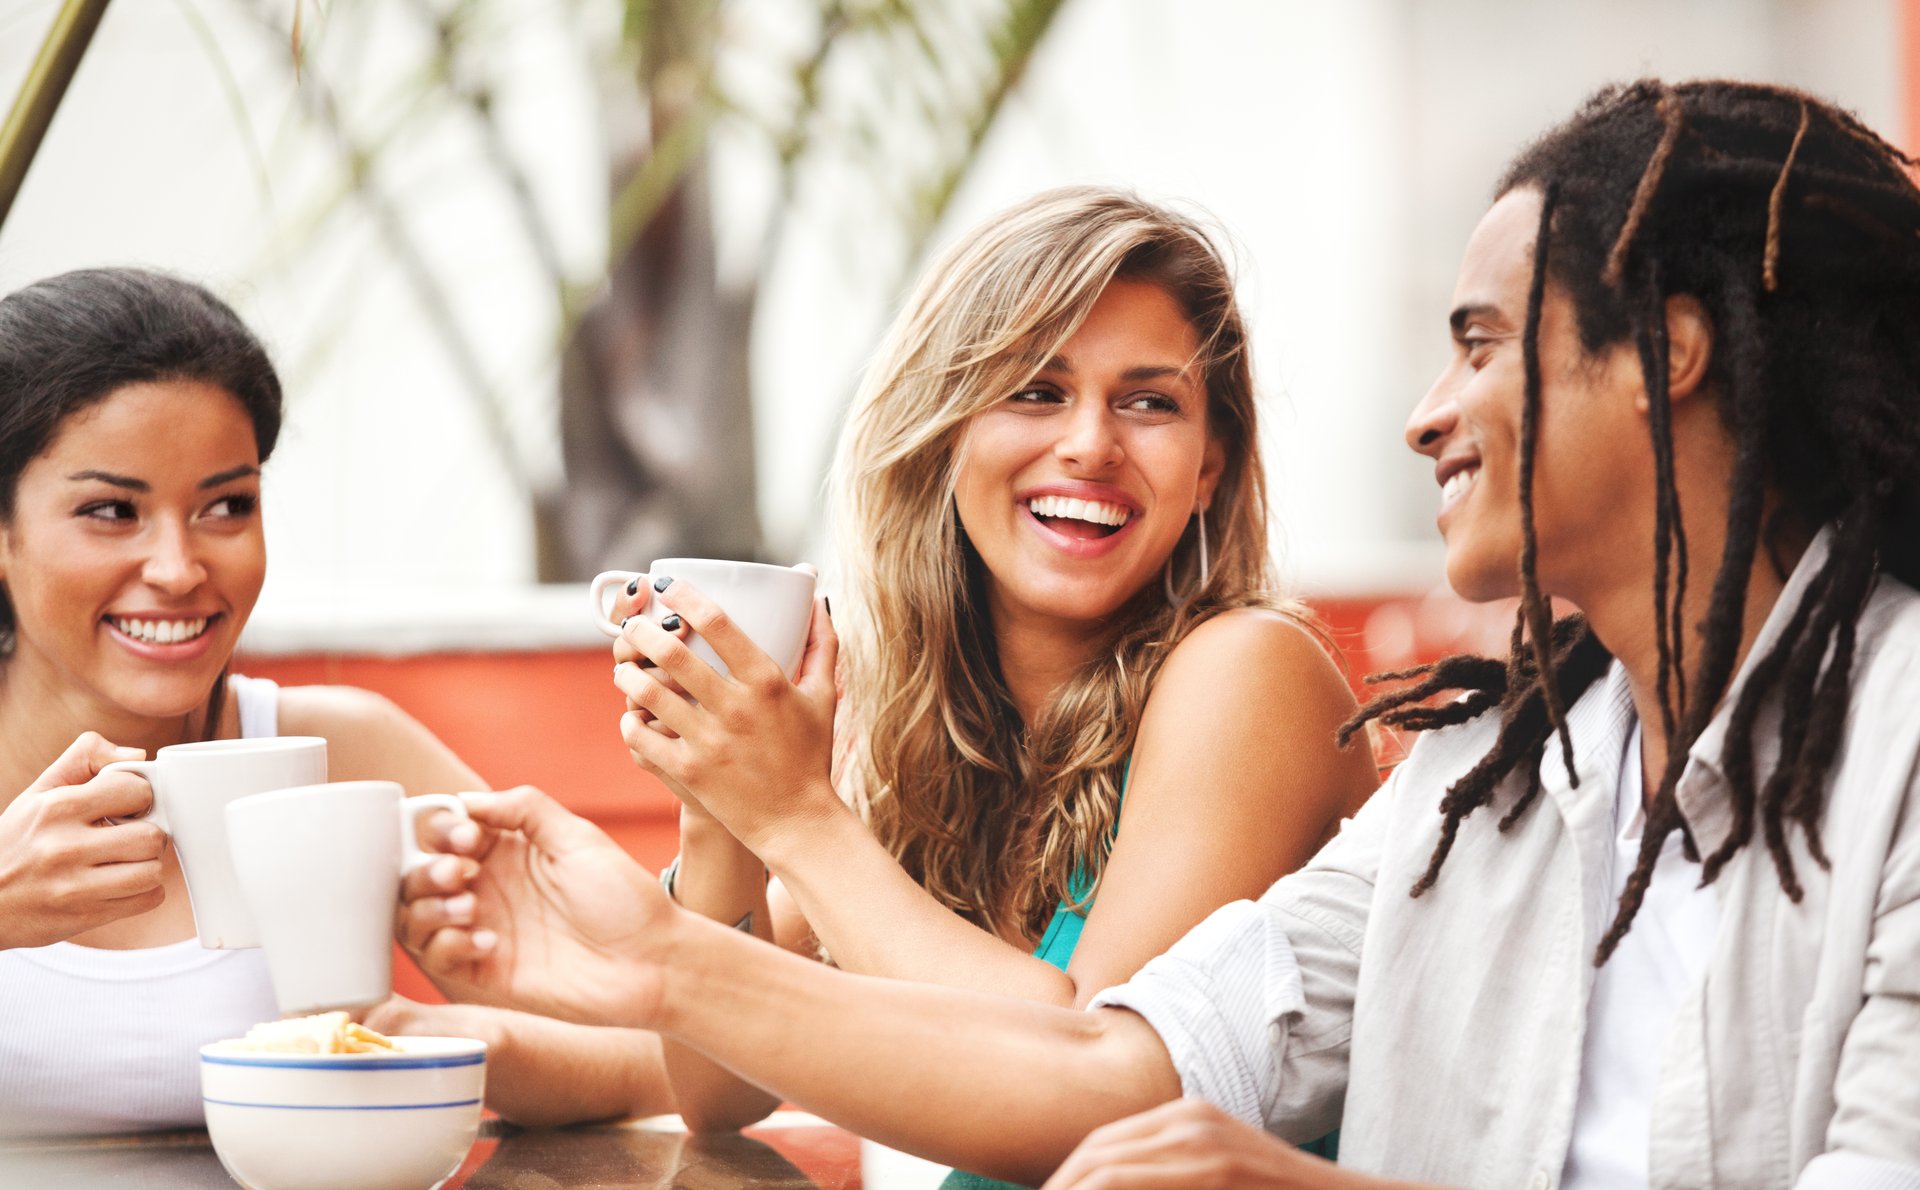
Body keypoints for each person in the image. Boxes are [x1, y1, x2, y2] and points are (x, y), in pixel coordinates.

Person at [402, 79, 1920, 1188]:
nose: (1424, 414)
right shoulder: (1494, 783)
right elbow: (1117, 1067)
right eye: (1036, 390)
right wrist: (658, 945)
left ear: (1666, 354)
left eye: (1477, 343)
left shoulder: (1901, 739)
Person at [601, 188, 1374, 1155]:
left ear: (1210, 465)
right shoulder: (927, 733)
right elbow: (722, 1089)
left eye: (1148, 402)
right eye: (1037, 391)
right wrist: (718, 804)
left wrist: (795, 815)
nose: (1091, 443)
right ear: (947, 430)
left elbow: (1084, 1086)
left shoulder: (1253, 673)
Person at [0, 267, 672, 1135]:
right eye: (109, 511)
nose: (178, 569)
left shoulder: (339, 757)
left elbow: (673, 1052)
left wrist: (459, 1043)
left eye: (226, 505)